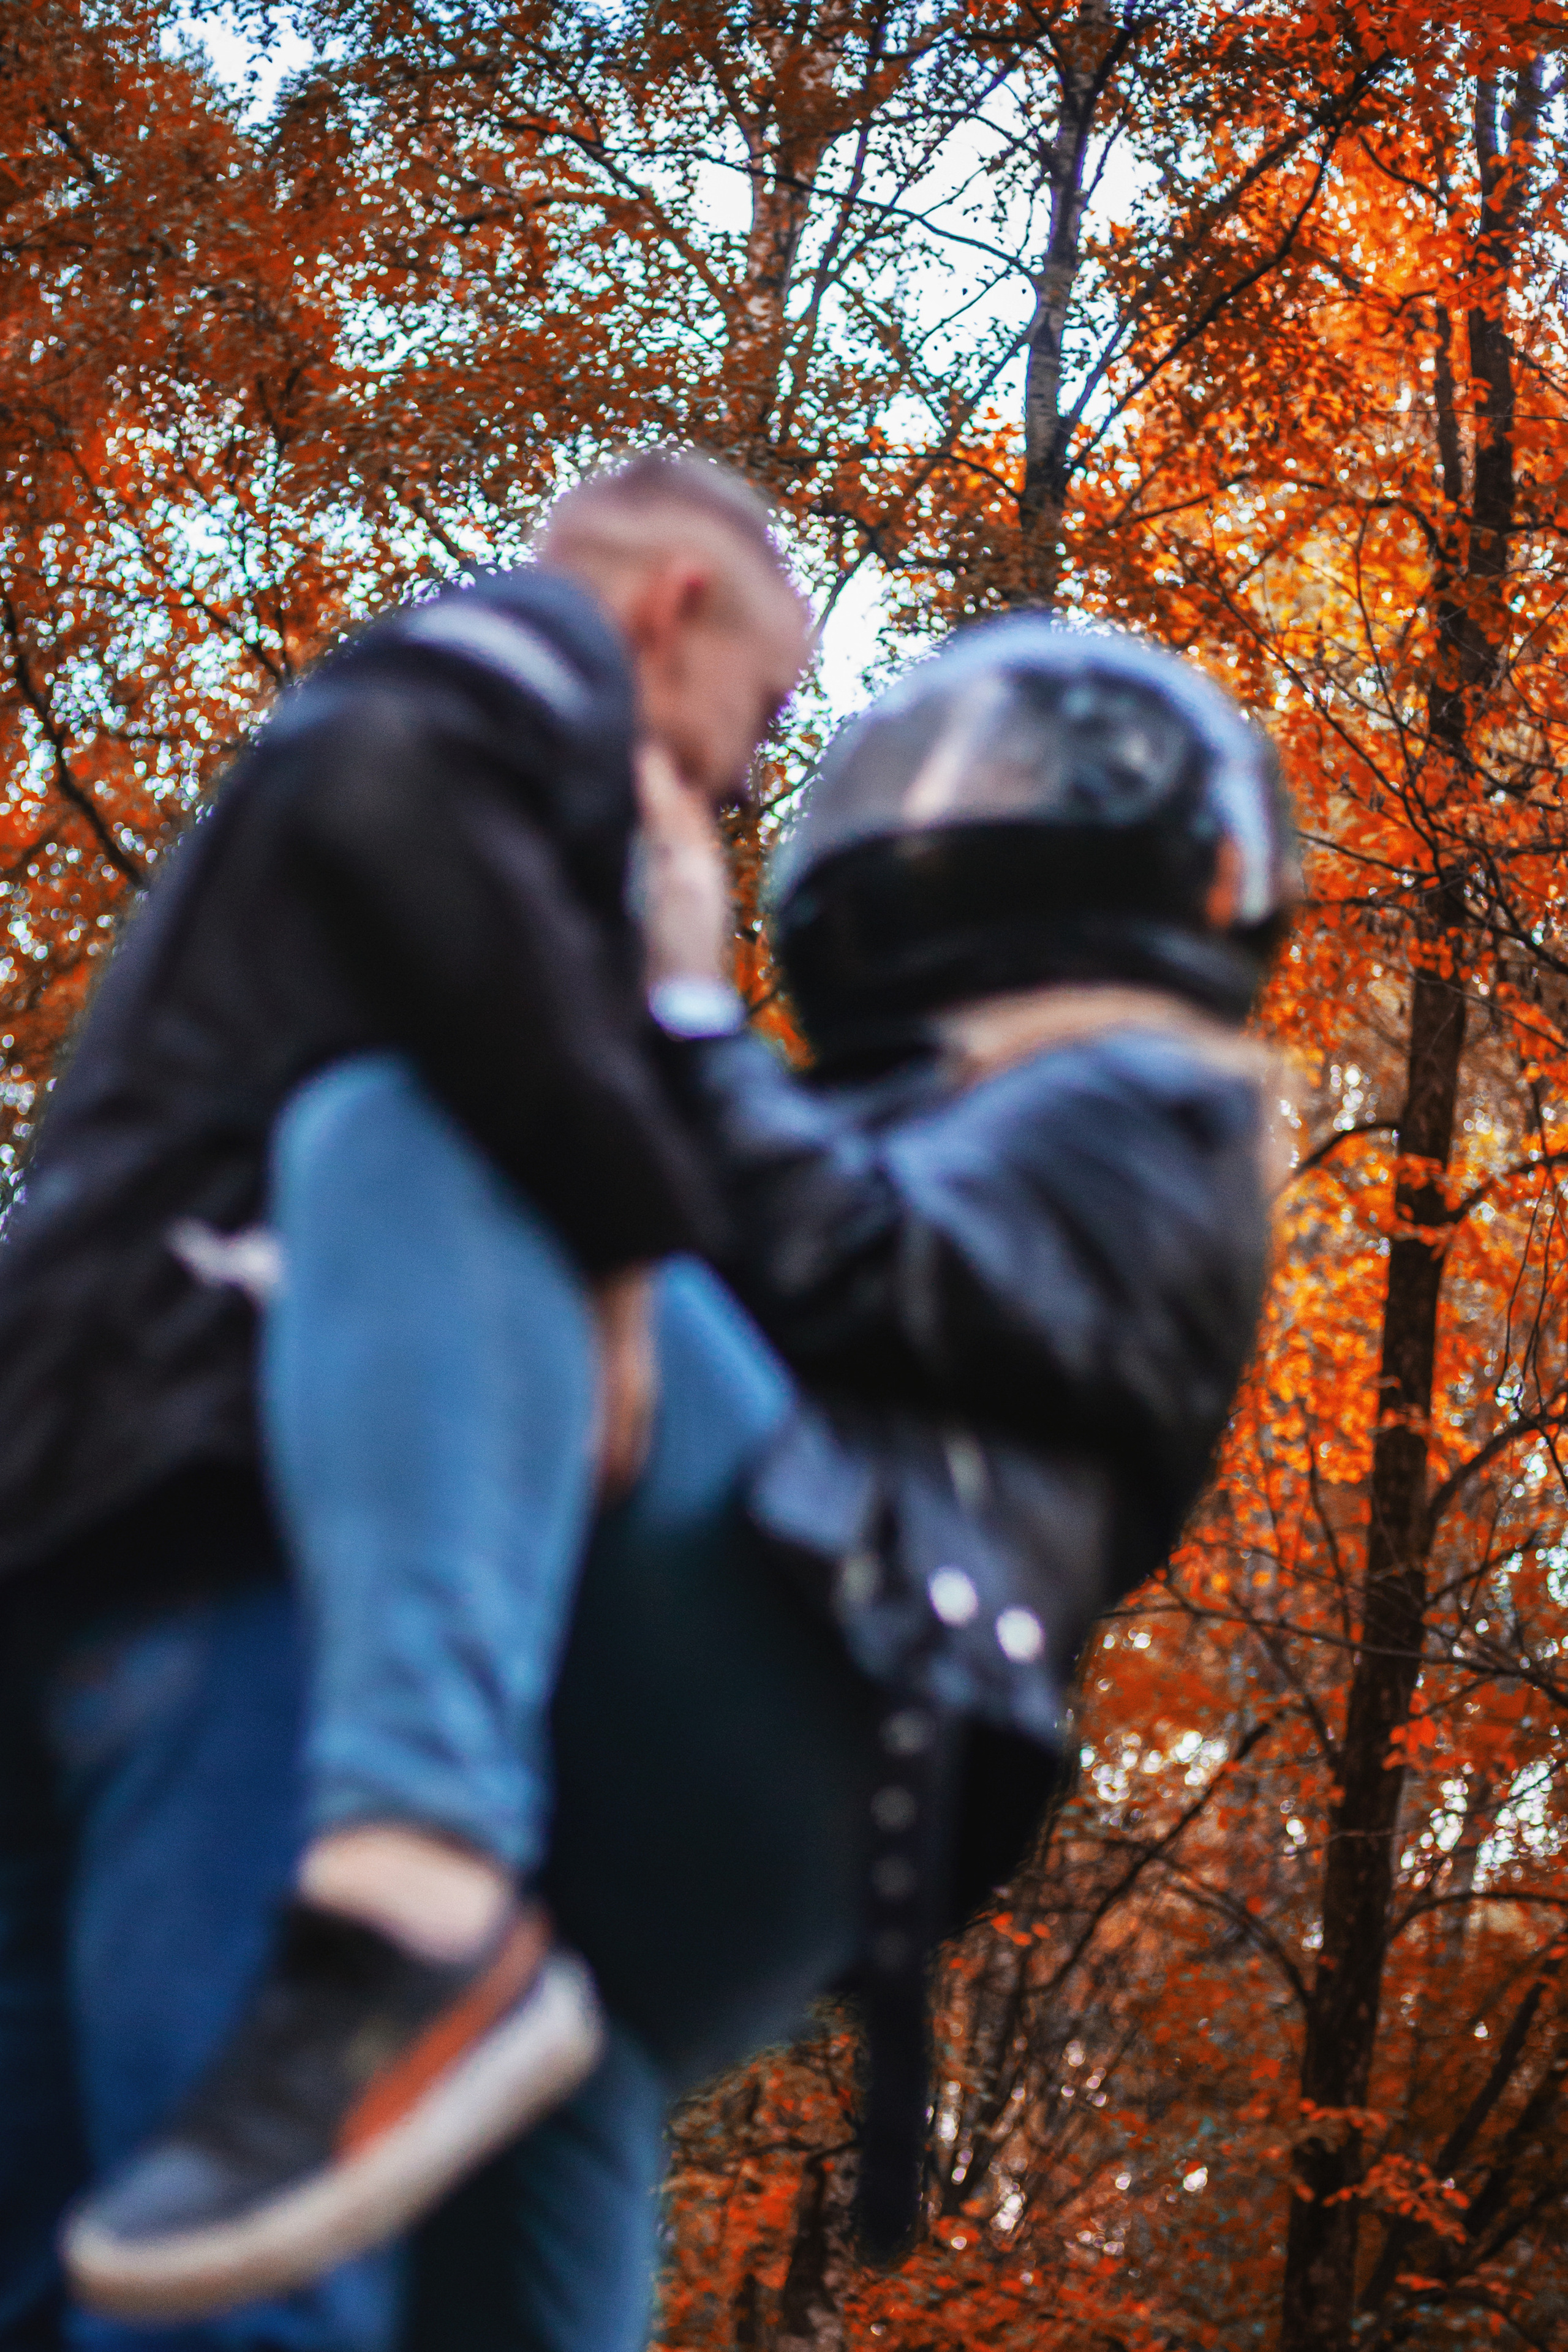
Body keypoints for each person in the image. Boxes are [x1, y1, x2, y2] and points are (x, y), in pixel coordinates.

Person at [58, 613, 1296, 2351]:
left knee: (413, 1122)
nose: (924, 816)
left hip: (816, 1689)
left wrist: (680, 1015)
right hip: (679, 1798)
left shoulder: (1156, 1109)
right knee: (475, 2240)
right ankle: (468, 1968)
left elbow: (853, 1261)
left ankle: (417, 1881)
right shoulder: (888, 1108)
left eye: (988, 781)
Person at [0, 450, 810, 2352]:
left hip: (53, 1529)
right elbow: (397, 809)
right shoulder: (521, 663)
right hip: (220, 1539)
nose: (747, 775)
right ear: (673, 607)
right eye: (766, 708)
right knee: (235, 2256)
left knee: (80, 2259)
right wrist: (627, 1236)